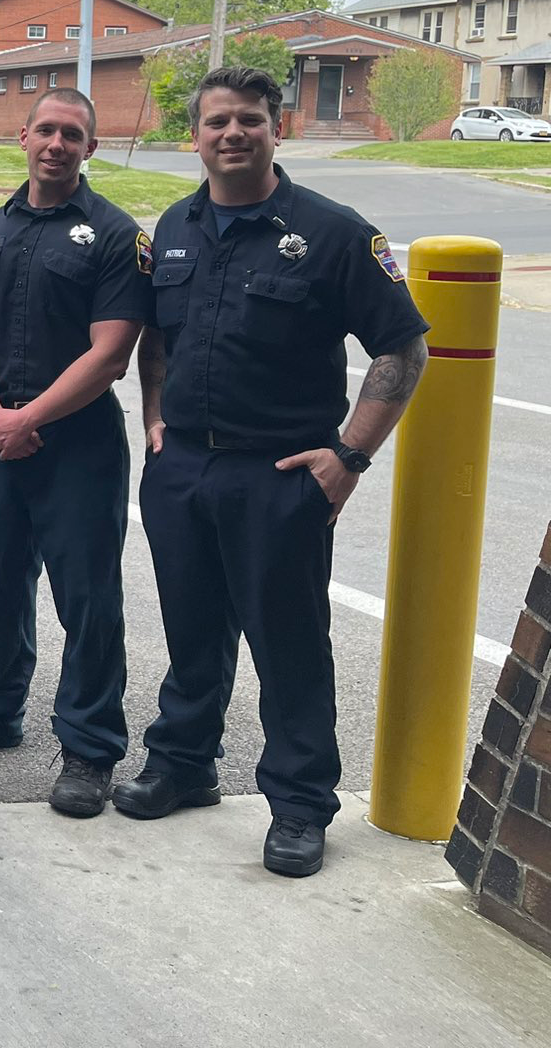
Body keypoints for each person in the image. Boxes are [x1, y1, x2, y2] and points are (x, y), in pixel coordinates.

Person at [119, 64, 427, 878]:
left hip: (279, 473)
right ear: (195, 136)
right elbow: (159, 338)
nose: (232, 134)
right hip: (182, 468)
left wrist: (350, 456)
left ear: (275, 129)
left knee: (288, 644)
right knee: (191, 630)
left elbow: (403, 349)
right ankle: (184, 764)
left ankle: (298, 804)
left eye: (249, 120)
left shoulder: (332, 233)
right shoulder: (175, 226)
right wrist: (154, 416)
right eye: (216, 121)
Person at [0, 87, 149, 821]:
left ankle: (89, 747)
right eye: (45, 130)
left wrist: (30, 418)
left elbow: (111, 352)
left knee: (87, 600)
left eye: (72, 134)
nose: (56, 143)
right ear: (23, 136)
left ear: (91, 147)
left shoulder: (114, 234)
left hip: (75, 443)